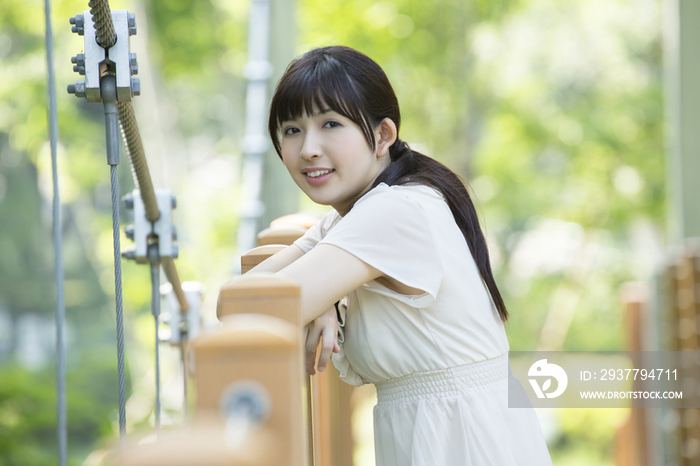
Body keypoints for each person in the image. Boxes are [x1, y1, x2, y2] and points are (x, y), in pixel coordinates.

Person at [246, 45, 552, 466]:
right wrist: (324, 298)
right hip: (451, 430)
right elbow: (243, 298)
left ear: (384, 136)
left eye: (330, 124)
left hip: (460, 441)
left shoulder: (393, 212)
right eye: (291, 130)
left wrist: (319, 295)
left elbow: (250, 306)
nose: (308, 149)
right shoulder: (359, 213)